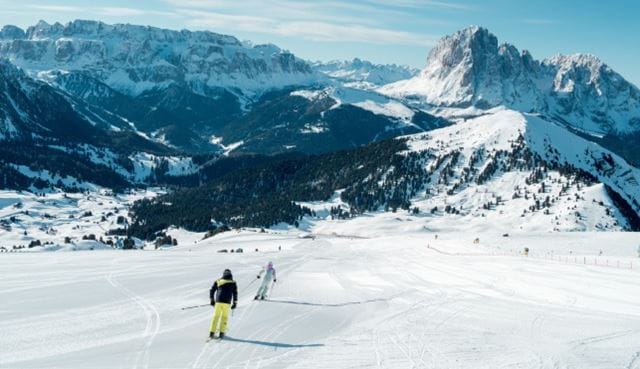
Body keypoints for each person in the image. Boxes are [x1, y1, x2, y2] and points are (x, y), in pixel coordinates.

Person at [209, 269, 238, 339]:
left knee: (216, 316)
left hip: (218, 302)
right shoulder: (233, 282)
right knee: (224, 317)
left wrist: (212, 300)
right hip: (227, 303)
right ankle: (221, 333)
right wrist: (235, 303)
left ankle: (211, 333)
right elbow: (235, 293)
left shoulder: (218, 281)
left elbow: (212, 290)